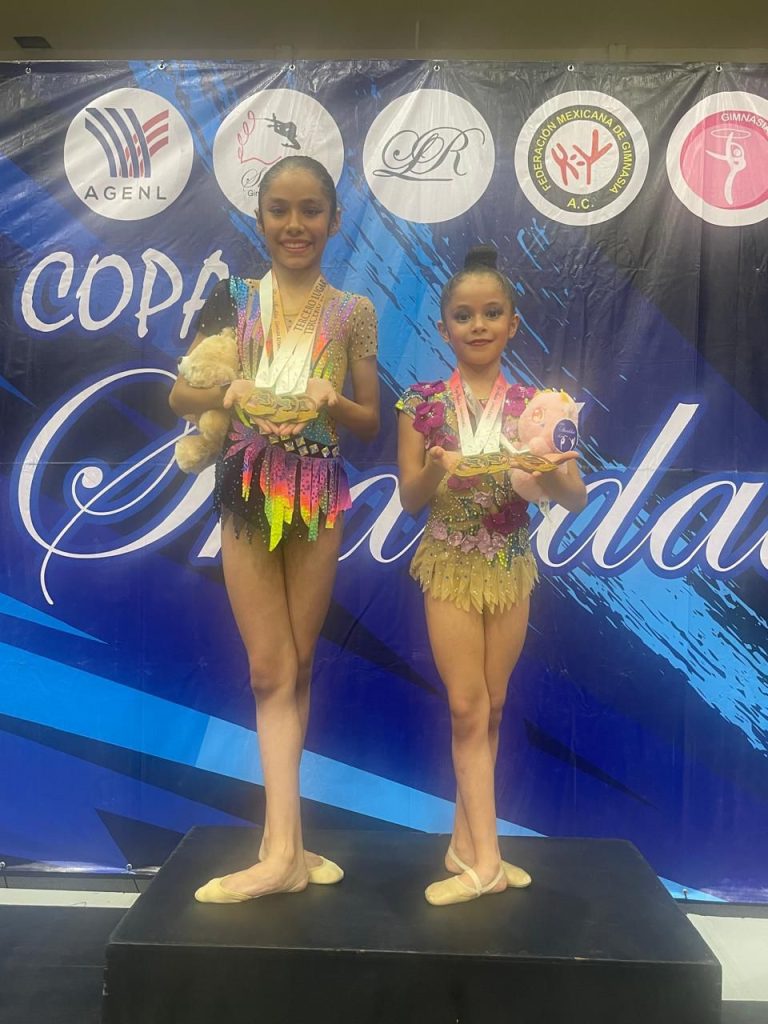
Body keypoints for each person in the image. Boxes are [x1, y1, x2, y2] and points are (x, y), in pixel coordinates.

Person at [169, 155, 380, 902]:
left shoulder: (352, 311)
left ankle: (282, 844)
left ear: (334, 220)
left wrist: (332, 402)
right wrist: (226, 390)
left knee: (298, 664)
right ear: (259, 220)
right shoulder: (232, 298)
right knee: (268, 670)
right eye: (280, 210)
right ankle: (284, 850)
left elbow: (369, 420)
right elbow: (178, 394)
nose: (296, 224)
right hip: (246, 490)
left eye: (311, 209)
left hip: (316, 495)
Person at [396, 246, 586, 906]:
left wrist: (553, 470)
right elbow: (410, 500)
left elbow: (574, 498)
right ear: (443, 327)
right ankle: (489, 863)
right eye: (463, 315)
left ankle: (464, 846)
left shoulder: (540, 406)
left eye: (491, 313)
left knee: (494, 705)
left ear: (512, 324)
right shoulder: (421, 403)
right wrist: (437, 466)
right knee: (467, 706)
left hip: (509, 565)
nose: (477, 325)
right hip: (449, 565)